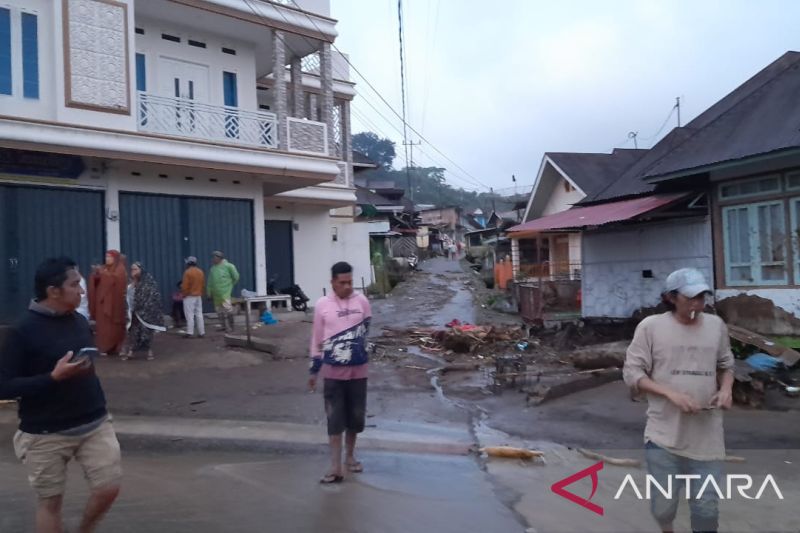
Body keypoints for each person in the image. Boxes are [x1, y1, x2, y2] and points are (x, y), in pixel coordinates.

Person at [0, 257, 121, 533]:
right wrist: (52, 378)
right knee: (50, 502)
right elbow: (4, 386)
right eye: (75, 284)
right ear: (53, 291)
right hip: (45, 431)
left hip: (94, 422)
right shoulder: (22, 331)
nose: (82, 291)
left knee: (109, 488)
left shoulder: (78, 321)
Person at [623, 268, 734, 533]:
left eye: (702, 297)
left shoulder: (716, 326)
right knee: (664, 506)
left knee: (706, 507)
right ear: (671, 297)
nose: (698, 303)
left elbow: (726, 364)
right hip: (664, 435)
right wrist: (670, 393)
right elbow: (632, 373)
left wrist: (726, 388)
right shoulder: (651, 327)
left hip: (707, 436)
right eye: (691, 297)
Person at [308, 262, 372, 484]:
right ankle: (335, 466)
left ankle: (351, 456)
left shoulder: (362, 302)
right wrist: (314, 370)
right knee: (335, 419)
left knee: (355, 418)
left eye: (350, 282)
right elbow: (317, 339)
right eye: (342, 283)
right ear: (333, 282)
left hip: (358, 372)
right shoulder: (322, 306)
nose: (347, 287)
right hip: (333, 374)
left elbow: (365, 334)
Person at [121, 262, 165, 361]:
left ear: (141, 270)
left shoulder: (148, 281)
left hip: (146, 312)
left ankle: (149, 351)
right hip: (134, 312)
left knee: (146, 332)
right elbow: (128, 297)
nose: (133, 271)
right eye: (132, 269)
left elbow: (152, 296)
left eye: (136, 269)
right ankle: (131, 351)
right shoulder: (131, 283)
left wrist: (143, 306)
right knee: (133, 332)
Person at [89, 251, 127, 356]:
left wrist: (103, 274)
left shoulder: (120, 269)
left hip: (115, 305)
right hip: (102, 303)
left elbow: (116, 280)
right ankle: (104, 347)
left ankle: (116, 346)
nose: (107, 259)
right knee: (103, 326)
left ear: (115, 258)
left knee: (115, 327)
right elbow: (96, 282)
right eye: (106, 256)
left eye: (110, 257)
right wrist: (95, 275)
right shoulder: (103, 268)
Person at [207, 251, 239, 333]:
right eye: (212, 257)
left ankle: (231, 327)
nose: (213, 259)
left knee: (228, 310)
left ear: (219, 258)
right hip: (216, 295)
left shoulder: (229, 266)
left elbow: (236, 277)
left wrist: (229, 285)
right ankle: (223, 326)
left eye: (214, 257)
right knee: (219, 311)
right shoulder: (213, 269)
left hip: (225, 293)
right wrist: (209, 293)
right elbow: (210, 282)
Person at [181, 256, 206, 338]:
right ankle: (202, 332)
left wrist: (184, 294)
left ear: (188, 263)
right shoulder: (200, 272)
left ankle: (190, 332)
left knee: (189, 315)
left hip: (189, 296)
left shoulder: (187, 272)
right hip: (198, 296)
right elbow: (203, 284)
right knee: (199, 314)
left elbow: (185, 286)